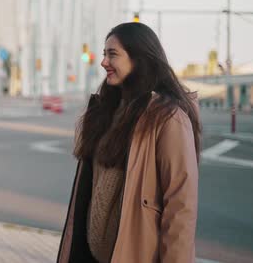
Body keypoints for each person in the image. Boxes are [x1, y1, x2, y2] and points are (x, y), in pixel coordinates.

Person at [57, 22, 201, 263]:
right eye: (104, 54)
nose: (104, 62)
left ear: (139, 58)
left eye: (112, 54)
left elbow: (180, 207)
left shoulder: (167, 117)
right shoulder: (106, 109)